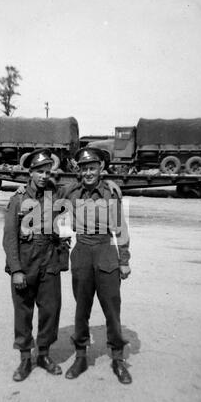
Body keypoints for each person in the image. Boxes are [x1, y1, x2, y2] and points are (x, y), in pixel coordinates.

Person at [61, 147, 132, 384]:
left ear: (101, 168)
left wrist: (124, 261)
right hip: (81, 251)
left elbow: (120, 228)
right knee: (82, 309)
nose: (88, 172)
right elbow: (50, 201)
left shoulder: (111, 194)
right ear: (79, 171)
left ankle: (118, 359)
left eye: (92, 168)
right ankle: (80, 356)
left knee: (112, 309)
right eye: (84, 168)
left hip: (105, 251)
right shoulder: (70, 192)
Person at [3, 149, 69, 382]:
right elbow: (9, 238)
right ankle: (24, 359)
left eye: (47, 171)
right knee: (23, 312)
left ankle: (43, 355)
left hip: (49, 261)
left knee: (51, 310)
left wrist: (110, 181)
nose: (43, 176)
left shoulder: (57, 195)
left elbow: (79, 188)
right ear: (29, 173)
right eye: (38, 171)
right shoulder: (18, 199)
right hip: (26, 262)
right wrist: (16, 270)